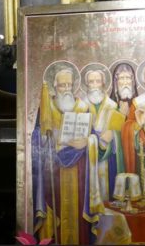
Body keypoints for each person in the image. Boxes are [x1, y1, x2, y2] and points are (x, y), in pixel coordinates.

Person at [34, 66, 99, 244]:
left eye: (69, 85)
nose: (67, 89)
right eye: (62, 85)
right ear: (55, 86)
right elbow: (36, 137)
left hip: (79, 171)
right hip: (54, 171)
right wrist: (48, 138)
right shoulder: (47, 108)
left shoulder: (83, 107)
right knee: (57, 211)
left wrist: (87, 141)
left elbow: (94, 135)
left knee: (78, 214)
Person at [84, 68, 124, 201]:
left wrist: (113, 134)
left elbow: (120, 133)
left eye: (98, 81)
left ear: (103, 84)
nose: (95, 85)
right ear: (86, 85)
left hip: (108, 157)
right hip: (87, 156)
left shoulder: (112, 105)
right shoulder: (81, 106)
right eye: (91, 82)